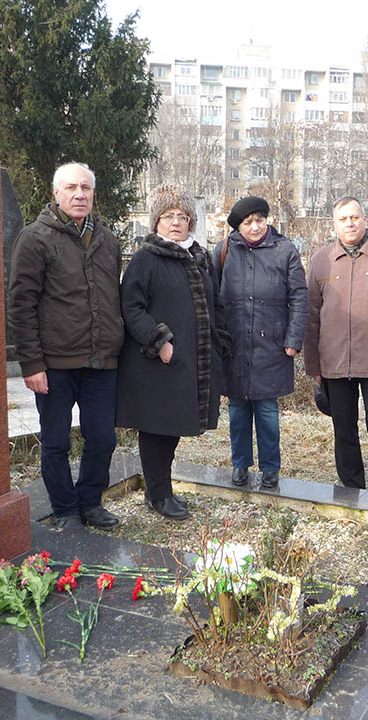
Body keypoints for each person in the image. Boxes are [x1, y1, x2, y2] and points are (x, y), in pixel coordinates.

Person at [8, 162, 123, 532]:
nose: (79, 194)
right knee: (56, 442)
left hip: (101, 362)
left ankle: (90, 502)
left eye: (86, 188)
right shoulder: (35, 239)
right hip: (54, 364)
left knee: (102, 438)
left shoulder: (107, 239)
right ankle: (65, 509)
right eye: (71, 187)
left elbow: (112, 297)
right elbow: (21, 304)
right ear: (56, 193)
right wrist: (31, 364)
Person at [117, 184, 227, 520]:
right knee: (157, 428)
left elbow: (214, 303)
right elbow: (131, 307)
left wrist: (220, 341)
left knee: (175, 426)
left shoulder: (199, 257)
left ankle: (160, 489)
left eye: (182, 216)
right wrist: (159, 341)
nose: (176, 222)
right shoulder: (146, 258)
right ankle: (158, 494)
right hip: (156, 362)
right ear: (156, 222)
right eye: (168, 216)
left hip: (191, 360)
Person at [304, 196, 368, 493]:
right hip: (335, 361)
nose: (349, 224)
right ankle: (351, 490)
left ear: (365, 219)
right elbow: (311, 315)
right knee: (343, 429)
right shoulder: (320, 261)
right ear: (334, 224)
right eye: (343, 219)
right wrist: (313, 364)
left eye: (354, 217)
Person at [215, 196, 308, 489]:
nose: (255, 227)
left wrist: (293, 339)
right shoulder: (224, 250)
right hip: (234, 344)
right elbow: (212, 295)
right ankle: (240, 464)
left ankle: (270, 468)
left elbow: (299, 297)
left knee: (267, 411)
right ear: (238, 226)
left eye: (260, 220)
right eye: (248, 222)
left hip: (272, 345)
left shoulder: (285, 250)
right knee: (237, 409)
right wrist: (217, 336)